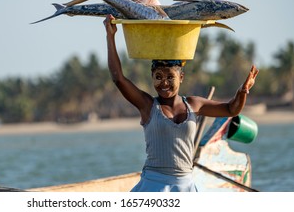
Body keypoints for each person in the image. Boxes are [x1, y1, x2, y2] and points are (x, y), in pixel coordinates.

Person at [103, 14, 259, 192]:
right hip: (153, 184)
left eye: (171, 77)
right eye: (158, 77)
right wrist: (111, 36)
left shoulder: (194, 104)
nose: (164, 83)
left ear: (181, 77)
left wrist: (243, 90)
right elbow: (118, 79)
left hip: (185, 185)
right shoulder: (147, 105)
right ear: (152, 77)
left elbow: (231, 109)